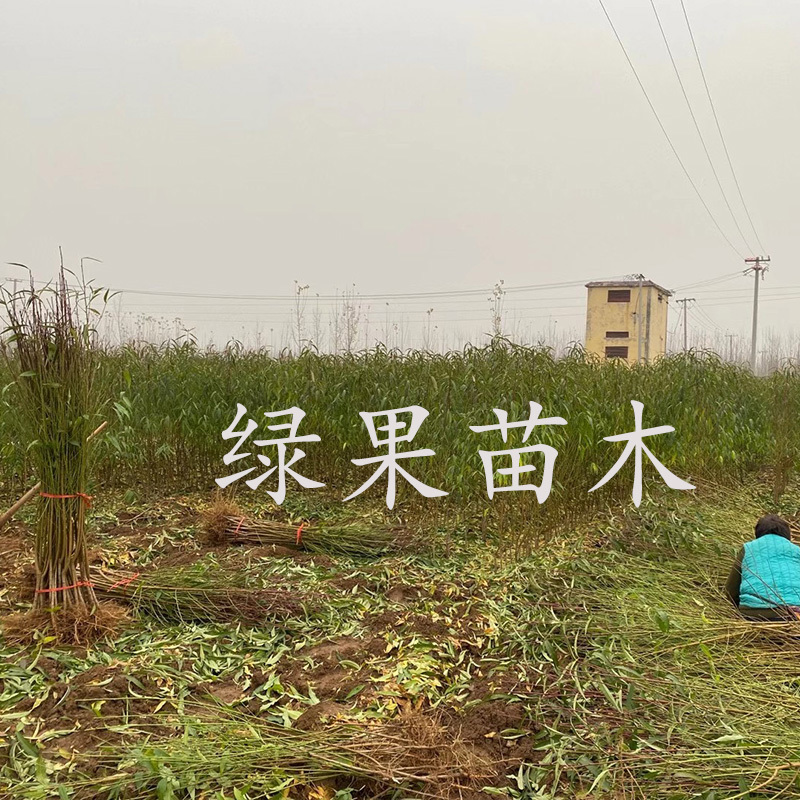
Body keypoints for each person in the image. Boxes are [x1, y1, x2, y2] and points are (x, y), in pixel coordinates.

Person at [725, 514, 800, 621]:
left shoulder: (748, 548)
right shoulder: (797, 550)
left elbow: (731, 590)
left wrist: (740, 609)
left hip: (753, 613)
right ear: (787, 534)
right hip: (794, 615)